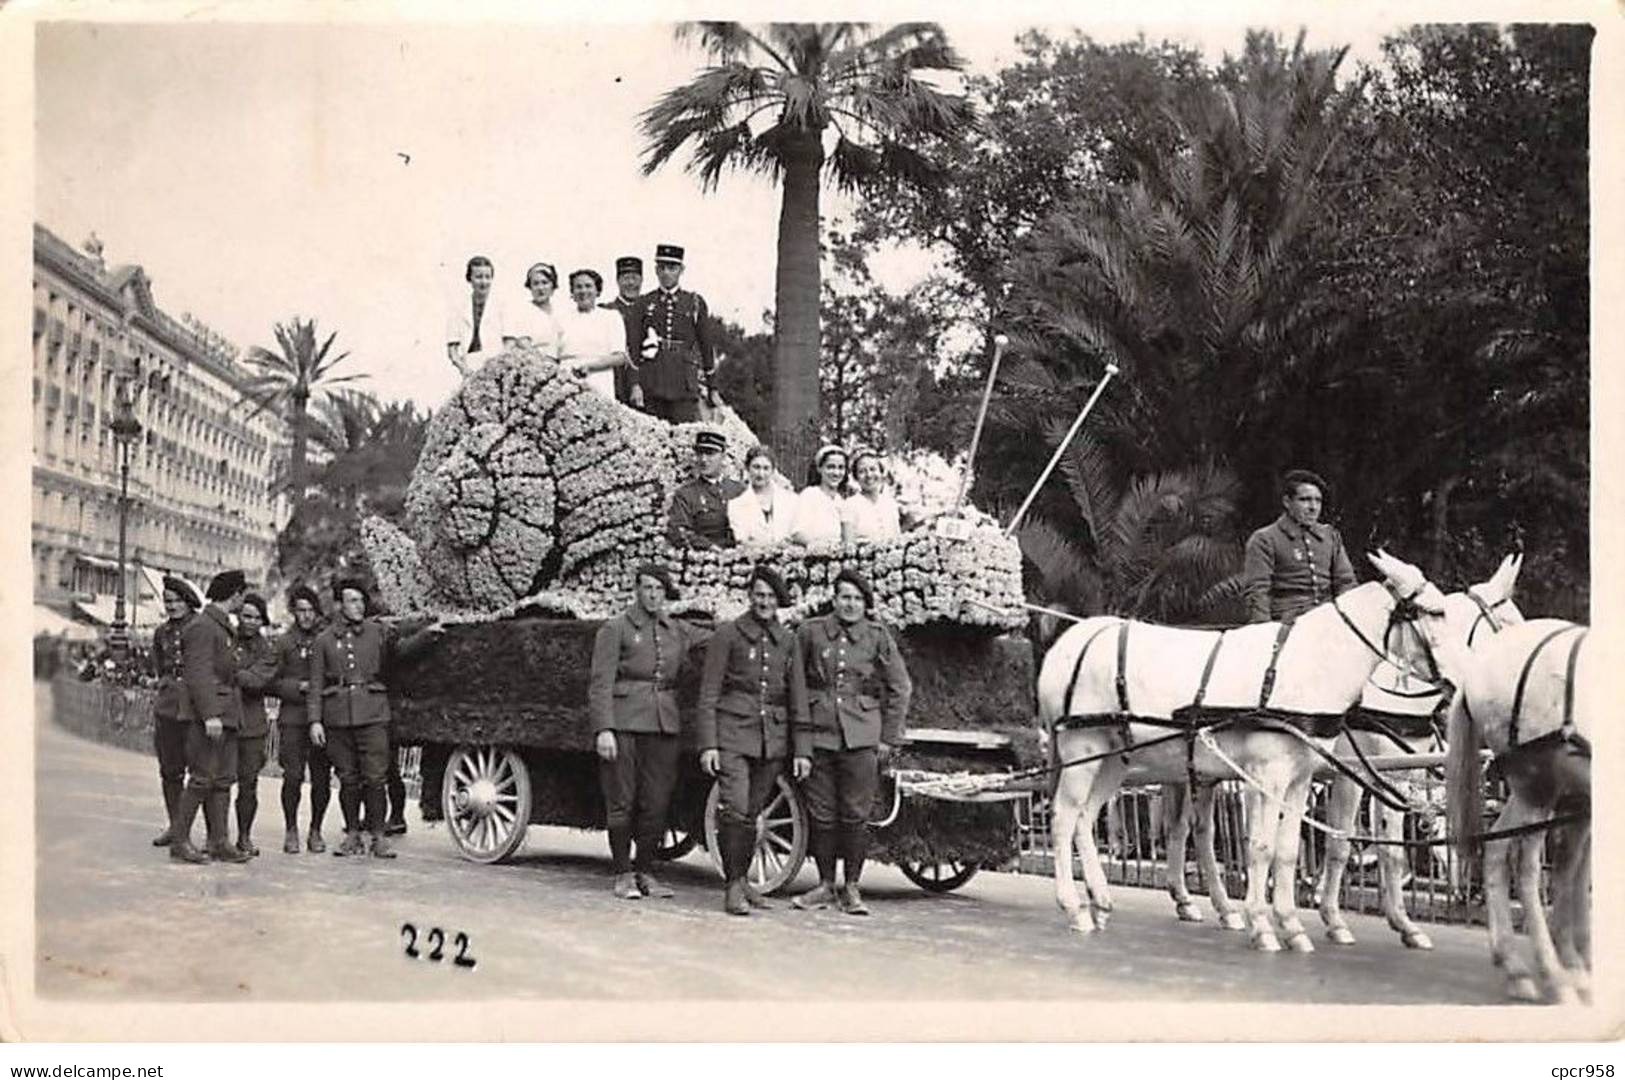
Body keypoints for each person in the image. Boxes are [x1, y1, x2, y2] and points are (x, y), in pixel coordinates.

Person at [789, 568, 912, 915]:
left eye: (857, 599)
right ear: (834, 598)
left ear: (865, 604)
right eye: (845, 597)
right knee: (822, 815)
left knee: (855, 814)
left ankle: (852, 886)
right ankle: (826, 884)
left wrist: (888, 737)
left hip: (861, 736)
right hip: (819, 733)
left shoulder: (876, 636)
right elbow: (797, 689)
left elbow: (900, 687)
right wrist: (801, 742)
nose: (850, 604)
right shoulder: (811, 633)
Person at [588, 563, 710, 899]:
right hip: (625, 722)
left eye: (659, 589)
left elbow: (718, 637)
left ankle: (645, 870)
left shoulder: (676, 629)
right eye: (647, 588)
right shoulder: (616, 629)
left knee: (657, 801)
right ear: (637, 590)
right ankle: (623, 873)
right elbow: (600, 683)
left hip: (663, 724)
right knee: (622, 799)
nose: (653, 595)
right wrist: (604, 729)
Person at [697, 566, 807, 915]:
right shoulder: (728, 635)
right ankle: (732, 887)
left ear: (779, 602)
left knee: (753, 813)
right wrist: (708, 744)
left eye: (771, 597)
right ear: (750, 596)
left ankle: (744, 882)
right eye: (759, 595)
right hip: (732, 734)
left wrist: (801, 749)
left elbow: (798, 698)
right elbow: (709, 693)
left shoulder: (788, 641)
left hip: (771, 740)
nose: (764, 602)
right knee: (736, 809)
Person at [307, 578, 443, 859]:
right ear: (338, 605)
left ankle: (379, 837)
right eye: (352, 601)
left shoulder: (377, 632)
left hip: (373, 713)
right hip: (338, 717)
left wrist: (429, 635)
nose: (359, 606)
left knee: (375, 777)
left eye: (361, 600)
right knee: (347, 778)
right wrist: (315, 721)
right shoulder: (323, 640)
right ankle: (353, 835)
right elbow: (316, 683)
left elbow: (401, 651)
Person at [171, 569, 254, 865]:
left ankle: (218, 841)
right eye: (242, 596)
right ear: (235, 594)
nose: (243, 602)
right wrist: (209, 715)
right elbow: (198, 674)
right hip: (212, 716)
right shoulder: (204, 627)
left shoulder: (216, 626)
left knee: (222, 780)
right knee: (201, 779)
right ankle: (180, 840)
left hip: (226, 714)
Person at [1242, 468, 1357, 623]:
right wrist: (1264, 631)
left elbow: (1346, 582)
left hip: (1329, 622)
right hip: (1287, 625)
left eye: (1318, 500)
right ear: (1287, 502)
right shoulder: (1265, 539)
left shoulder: (1330, 537)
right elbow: (1257, 591)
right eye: (1305, 500)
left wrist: (1348, 620)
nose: (1313, 507)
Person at [627, 244, 715, 423]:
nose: (666, 273)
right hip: (652, 381)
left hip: (683, 383)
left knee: (685, 437)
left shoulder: (694, 303)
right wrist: (635, 385)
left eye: (672, 268)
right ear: (656, 270)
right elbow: (633, 347)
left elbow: (706, 347)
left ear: (681, 270)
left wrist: (713, 387)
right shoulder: (644, 303)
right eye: (662, 268)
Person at [272, 585, 331, 854]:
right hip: (294, 717)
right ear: (294, 613)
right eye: (301, 611)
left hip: (321, 718)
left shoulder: (326, 639)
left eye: (310, 611)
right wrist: (299, 687)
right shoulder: (284, 642)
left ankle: (316, 829)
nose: (306, 616)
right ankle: (291, 829)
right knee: (293, 776)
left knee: (321, 778)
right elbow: (273, 682)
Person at [148, 576, 199, 848]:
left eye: (178, 601)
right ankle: (175, 825)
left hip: (194, 705)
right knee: (170, 769)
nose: (172, 606)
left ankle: (188, 829)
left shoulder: (199, 628)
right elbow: (160, 667)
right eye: (168, 601)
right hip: (168, 707)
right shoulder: (161, 633)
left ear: (189, 602)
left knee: (200, 771)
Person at [231, 592, 278, 857]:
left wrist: (232, 673)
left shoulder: (267, 649)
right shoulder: (226, 639)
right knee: (218, 782)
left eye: (255, 617)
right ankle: (218, 837)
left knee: (248, 785)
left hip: (252, 725)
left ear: (262, 620)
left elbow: (259, 681)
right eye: (245, 616)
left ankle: (244, 836)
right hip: (226, 722)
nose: (248, 622)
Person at [557, 268, 632, 399]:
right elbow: (552, 355)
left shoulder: (611, 317)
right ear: (572, 292)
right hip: (567, 381)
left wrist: (590, 367)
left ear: (597, 291)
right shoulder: (561, 319)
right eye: (578, 287)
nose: (583, 291)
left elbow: (620, 357)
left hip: (600, 379)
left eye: (588, 286)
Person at [667, 428, 745, 548]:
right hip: (703, 560)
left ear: (723, 456)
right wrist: (709, 547)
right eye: (700, 453)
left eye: (710, 453)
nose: (703, 459)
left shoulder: (739, 490)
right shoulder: (686, 494)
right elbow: (679, 531)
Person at [446, 255, 506, 379]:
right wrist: (463, 368)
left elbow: (510, 343)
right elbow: (452, 350)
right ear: (470, 279)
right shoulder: (458, 309)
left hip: (496, 368)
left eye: (487, 277)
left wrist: (499, 366)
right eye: (478, 277)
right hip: (468, 367)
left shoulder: (502, 307)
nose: (484, 282)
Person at [727, 445, 795, 546]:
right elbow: (743, 540)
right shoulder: (736, 505)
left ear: (773, 471)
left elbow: (795, 534)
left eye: (766, 468)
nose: (761, 474)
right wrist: (775, 545)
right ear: (747, 468)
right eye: (756, 467)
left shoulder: (791, 500)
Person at [600, 255, 645, 408]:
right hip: (617, 380)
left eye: (635, 278)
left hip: (649, 382)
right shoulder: (606, 311)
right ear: (618, 281)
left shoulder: (651, 309)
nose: (631, 283)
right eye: (626, 278)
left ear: (641, 280)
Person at [791, 444, 848, 548]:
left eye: (841, 468)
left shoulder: (841, 500)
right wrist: (820, 546)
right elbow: (797, 533)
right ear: (819, 468)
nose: (836, 473)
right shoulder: (810, 495)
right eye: (830, 467)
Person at [505, 262, 565, 359]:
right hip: (534, 363)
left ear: (552, 285)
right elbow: (522, 343)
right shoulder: (523, 311)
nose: (540, 288)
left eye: (545, 282)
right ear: (530, 287)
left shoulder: (561, 311)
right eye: (536, 284)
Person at [841, 448, 901, 544]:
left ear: (881, 472)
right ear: (856, 477)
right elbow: (849, 547)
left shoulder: (890, 503)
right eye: (862, 471)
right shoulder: (850, 505)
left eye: (873, 469)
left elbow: (897, 540)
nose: (869, 475)